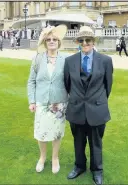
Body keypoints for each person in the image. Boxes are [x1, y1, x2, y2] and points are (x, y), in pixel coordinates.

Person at [64, 26, 113, 185]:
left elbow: (108, 86)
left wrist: (96, 101)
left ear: (93, 42)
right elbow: (67, 84)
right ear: (78, 42)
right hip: (76, 108)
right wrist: (78, 99)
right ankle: (79, 166)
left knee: (96, 143)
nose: (85, 43)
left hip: (97, 109)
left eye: (88, 40)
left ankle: (97, 170)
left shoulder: (105, 60)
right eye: (81, 40)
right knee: (78, 141)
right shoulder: (69, 61)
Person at [27, 25, 69, 174]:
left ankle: (55, 158)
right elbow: (31, 81)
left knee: (57, 133)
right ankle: (42, 157)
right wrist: (32, 101)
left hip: (60, 102)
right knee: (41, 132)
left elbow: (70, 81)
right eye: (49, 39)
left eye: (55, 39)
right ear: (45, 42)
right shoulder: (38, 58)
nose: (52, 41)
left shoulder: (66, 59)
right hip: (42, 102)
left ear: (59, 42)